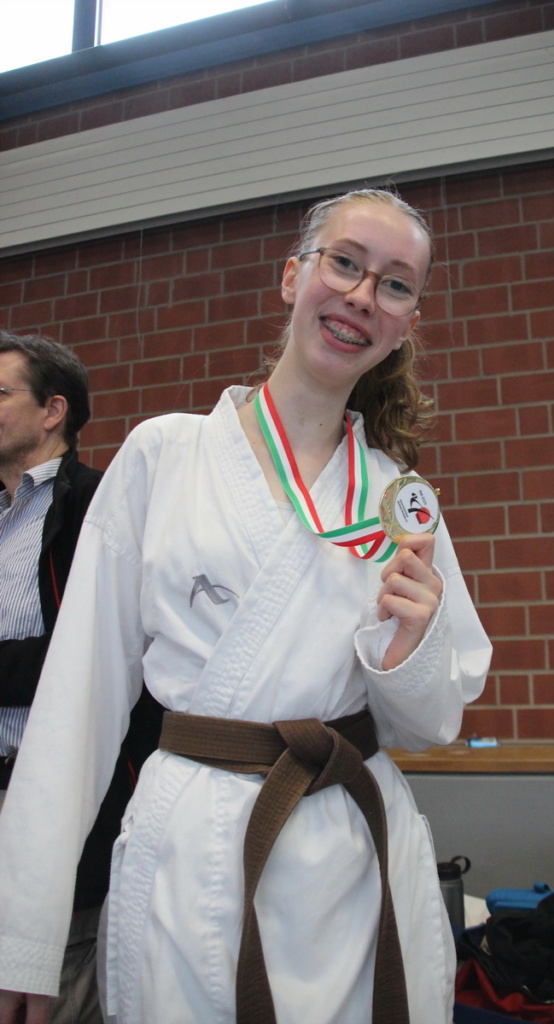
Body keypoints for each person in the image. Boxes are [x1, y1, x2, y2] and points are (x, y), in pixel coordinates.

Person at [0, 189, 492, 1024]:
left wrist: (412, 646)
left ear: (406, 323)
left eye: (394, 284)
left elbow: (431, 724)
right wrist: (25, 931)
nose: (362, 295)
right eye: (344, 263)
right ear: (292, 275)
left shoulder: (400, 501)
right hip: (196, 841)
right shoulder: (166, 454)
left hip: (352, 850)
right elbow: (76, 703)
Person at [0, 332, 162, 1024]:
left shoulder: (103, 506)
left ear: (53, 410)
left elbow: (99, 656)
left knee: (50, 990)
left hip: (66, 802)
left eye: (0, 392)